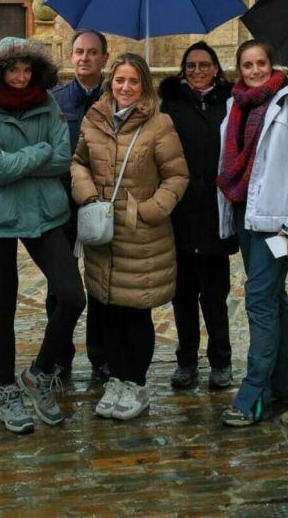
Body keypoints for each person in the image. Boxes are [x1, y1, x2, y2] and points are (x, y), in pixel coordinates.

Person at [0, 38, 86, 434]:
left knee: (71, 295)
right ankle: (6, 390)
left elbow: (62, 158)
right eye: (12, 69)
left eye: (26, 69)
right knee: (5, 303)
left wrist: (17, 161)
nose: (19, 77)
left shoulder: (48, 104)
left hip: (44, 212)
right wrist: (37, 153)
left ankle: (37, 373)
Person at [71, 52, 189, 421]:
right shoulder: (94, 120)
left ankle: (135, 384)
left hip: (140, 236)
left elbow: (177, 176)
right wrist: (87, 194)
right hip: (103, 234)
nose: (125, 87)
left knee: (135, 314)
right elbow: (78, 162)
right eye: (120, 80)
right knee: (108, 312)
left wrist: (150, 210)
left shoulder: (159, 124)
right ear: (111, 83)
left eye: (133, 81)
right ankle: (116, 381)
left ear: (144, 87)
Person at [217, 39, 288, 427]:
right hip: (247, 215)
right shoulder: (234, 105)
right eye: (248, 64)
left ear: (271, 64)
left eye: (261, 62)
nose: (255, 70)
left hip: (277, 222)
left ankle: (254, 393)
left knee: (259, 300)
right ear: (239, 68)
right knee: (274, 298)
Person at [158, 40, 235, 391]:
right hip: (182, 214)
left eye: (205, 65)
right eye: (191, 66)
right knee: (183, 294)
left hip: (217, 212)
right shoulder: (171, 106)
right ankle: (186, 360)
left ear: (216, 68)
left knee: (216, 295)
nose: (198, 71)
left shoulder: (231, 104)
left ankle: (221, 360)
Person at [50, 29, 110, 381]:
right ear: (70, 56)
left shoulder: (119, 97)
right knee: (61, 287)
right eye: (78, 52)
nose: (84, 58)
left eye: (91, 52)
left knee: (104, 284)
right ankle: (60, 356)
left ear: (104, 56)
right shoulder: (55, 100)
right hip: (62, 207)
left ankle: (101, 356)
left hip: (104, 206)